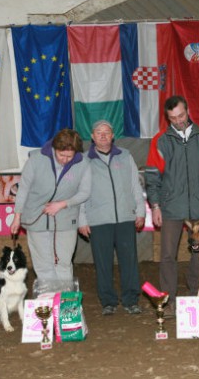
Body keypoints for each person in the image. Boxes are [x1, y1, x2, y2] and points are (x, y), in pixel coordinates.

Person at [145, 95, 199, 317]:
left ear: (188, 111)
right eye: (173, 118)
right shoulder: (160, 140)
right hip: (171, 207)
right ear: (167, 117)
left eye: (181, 116)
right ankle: (167, 301)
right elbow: (152, 176)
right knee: (168, 255)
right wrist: (155, 205)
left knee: (198, 254)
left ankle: (196, 297)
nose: (178, 121)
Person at [78, 120, 146, 316]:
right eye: (99, 132)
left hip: (125, 217)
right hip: (98, 220)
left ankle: (131, 300)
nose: (103, 135)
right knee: (102, 263)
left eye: (106, 132)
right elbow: (80, 192)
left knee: (130, 261)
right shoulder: (83, 160)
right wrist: (82, 218)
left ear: (113, 135)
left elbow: (135, 185)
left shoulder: (125, 156)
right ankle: (108, 301)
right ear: (92, 136)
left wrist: (140, 211)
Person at [10, 129, 91, 282]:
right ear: (54, 148)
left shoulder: (83, 164)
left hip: (66, 220)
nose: (66, 159)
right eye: (62, 155)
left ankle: (64, 302)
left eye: (70, 156)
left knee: (64, 263)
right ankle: (48, 299)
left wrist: (62, 204)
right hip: (36, 218)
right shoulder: (36, 159)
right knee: (43, 265)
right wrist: (17, 217)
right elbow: (24, 189)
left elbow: (84, 192)